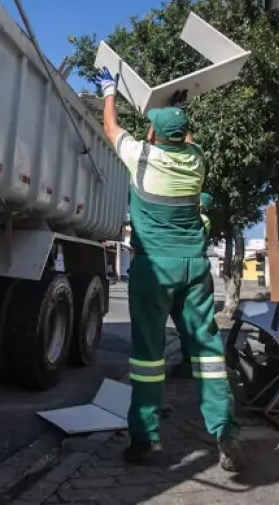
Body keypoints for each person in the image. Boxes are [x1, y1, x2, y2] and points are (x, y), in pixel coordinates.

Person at [97, 67, 243, 471]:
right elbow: (186, 140)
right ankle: (225, 430)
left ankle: (146, 441)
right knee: (209, 355)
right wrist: (178, 113)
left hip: (153, 271)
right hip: (194, 270)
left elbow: (110, 127)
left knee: (148, 359)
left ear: (153, 136)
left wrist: (109, 89)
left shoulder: (142, 156)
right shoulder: (197, 162)